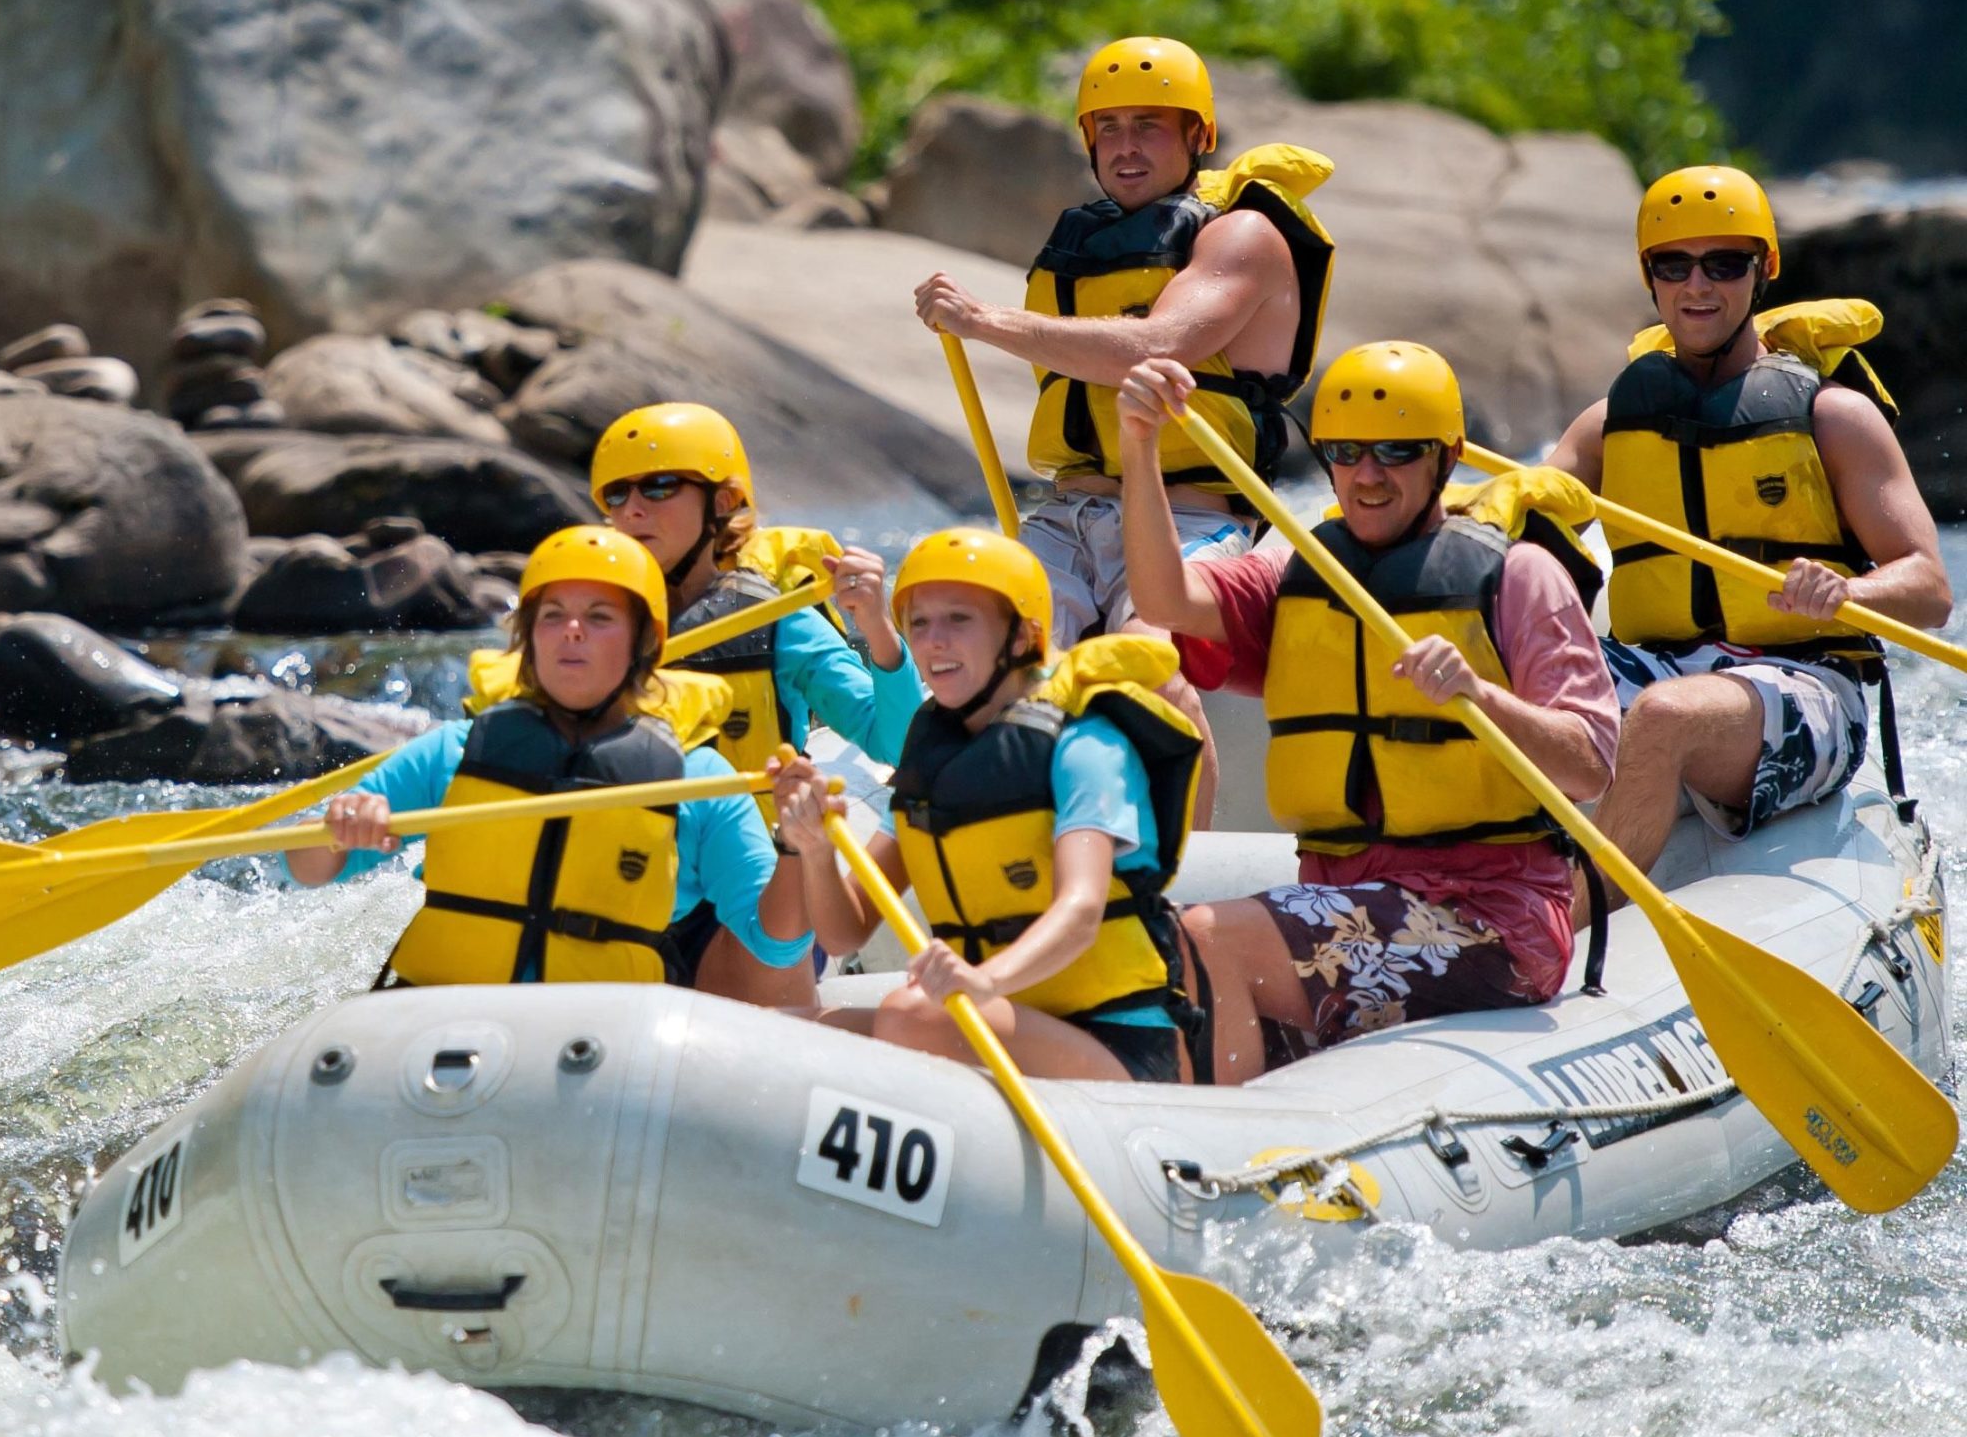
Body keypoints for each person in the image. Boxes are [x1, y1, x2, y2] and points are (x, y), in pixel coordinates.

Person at [1118, 342, 1620, 1080]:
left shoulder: (1518, 576)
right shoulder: (1298, 573)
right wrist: (1140, 444)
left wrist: (1480, 698)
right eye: (1346, 452)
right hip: (1343, 902)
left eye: (1395, 451)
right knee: (1159, 956)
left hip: (1490, 921)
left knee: (1210, 936)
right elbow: (1166, 601)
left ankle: (1219, 1140)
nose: (1367, 475)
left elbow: (1589, 763)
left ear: (1445, 459)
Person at [912, 36, 1336, 819]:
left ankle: (1183, 874)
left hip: (1187, 520)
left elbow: (1156, 346)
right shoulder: (1083, 240)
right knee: (981, 651)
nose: (1126, 146)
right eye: (1109, 128)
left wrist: (982, 321)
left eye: (1150, 125)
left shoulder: (1241, 234)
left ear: (1198, 137)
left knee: (1144, 663)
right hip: (1066, 515)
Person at [1549, 165, 1950, 880]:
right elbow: (1522, 542)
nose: (1696, 287)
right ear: (1651, 277)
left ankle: (1554, 938)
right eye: (1673, 266)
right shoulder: (1607, 427)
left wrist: (1848, 593)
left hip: (1804, 683)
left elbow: (1930, 590)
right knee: (1499, 677)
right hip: (1656, 664)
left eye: (1723, 264)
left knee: (1668, 717)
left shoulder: (1834, 417)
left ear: (1763, 270)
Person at [287, 526, 815, 1007]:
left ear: (643, 644)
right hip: (444, 1018)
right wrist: (338, 829)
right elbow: (306, 868)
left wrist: (795, 845)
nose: (572, 631)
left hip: (597, 1040)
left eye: (600, 617)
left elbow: (775, 944)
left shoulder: (697, 782)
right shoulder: (454, 752)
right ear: (529, 638)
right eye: (553, 615)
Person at [769, 528, 1207, 1082]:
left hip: (1116, 1044)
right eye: (920, 623)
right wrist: (813, 846)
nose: (933, 642)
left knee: (911, 1014)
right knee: (772, 1031)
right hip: (980, 1019)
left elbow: (1081, 912)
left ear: (1022, 637)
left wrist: (986, 981)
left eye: (959, 620)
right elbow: (845, 932)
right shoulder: (934, 758)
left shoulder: (1083, 744)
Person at [524, 401, 922, 780]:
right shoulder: (579, 622)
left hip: (751, 843)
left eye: (659, 487)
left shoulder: (775, 620)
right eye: (617, 494)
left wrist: (877, 626)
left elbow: (898, 746)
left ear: (723, 501)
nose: (632, 510)